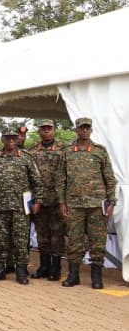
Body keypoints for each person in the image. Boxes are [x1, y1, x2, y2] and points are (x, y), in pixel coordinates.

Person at [59, 117, 116, 289]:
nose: (84, 131)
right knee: (74, 242)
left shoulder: (100, 151)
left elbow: (110, 178)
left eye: (87, 128)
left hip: (97, 205)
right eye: (81, 128)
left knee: (97, 242)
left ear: (91, 130)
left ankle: (96, 278)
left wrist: (111, 201)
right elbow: (61, 179)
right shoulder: (67, 151)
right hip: (74, 205)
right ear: (76, 130)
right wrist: (62, 203)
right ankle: (73, 275)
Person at [0, 126, 42, 285]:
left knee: (20, 240)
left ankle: (21, 270)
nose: (11, 140)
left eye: (13, 138)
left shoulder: (27, 158)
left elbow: (37, 182)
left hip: (21, 208)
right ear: (2, 139)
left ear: (18, 139)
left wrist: (37, 201)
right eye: (7, 138)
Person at [28, 119, 67, 281]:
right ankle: (44, 266)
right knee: (42, 234)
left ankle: (55, 268)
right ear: (39, 131)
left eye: (49, 129)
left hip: (57, 199)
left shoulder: (63, 149)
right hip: (39, 199)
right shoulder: (32, 151)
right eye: (43, 129)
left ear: (54, 130)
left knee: (57, 235)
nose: (46, 131)